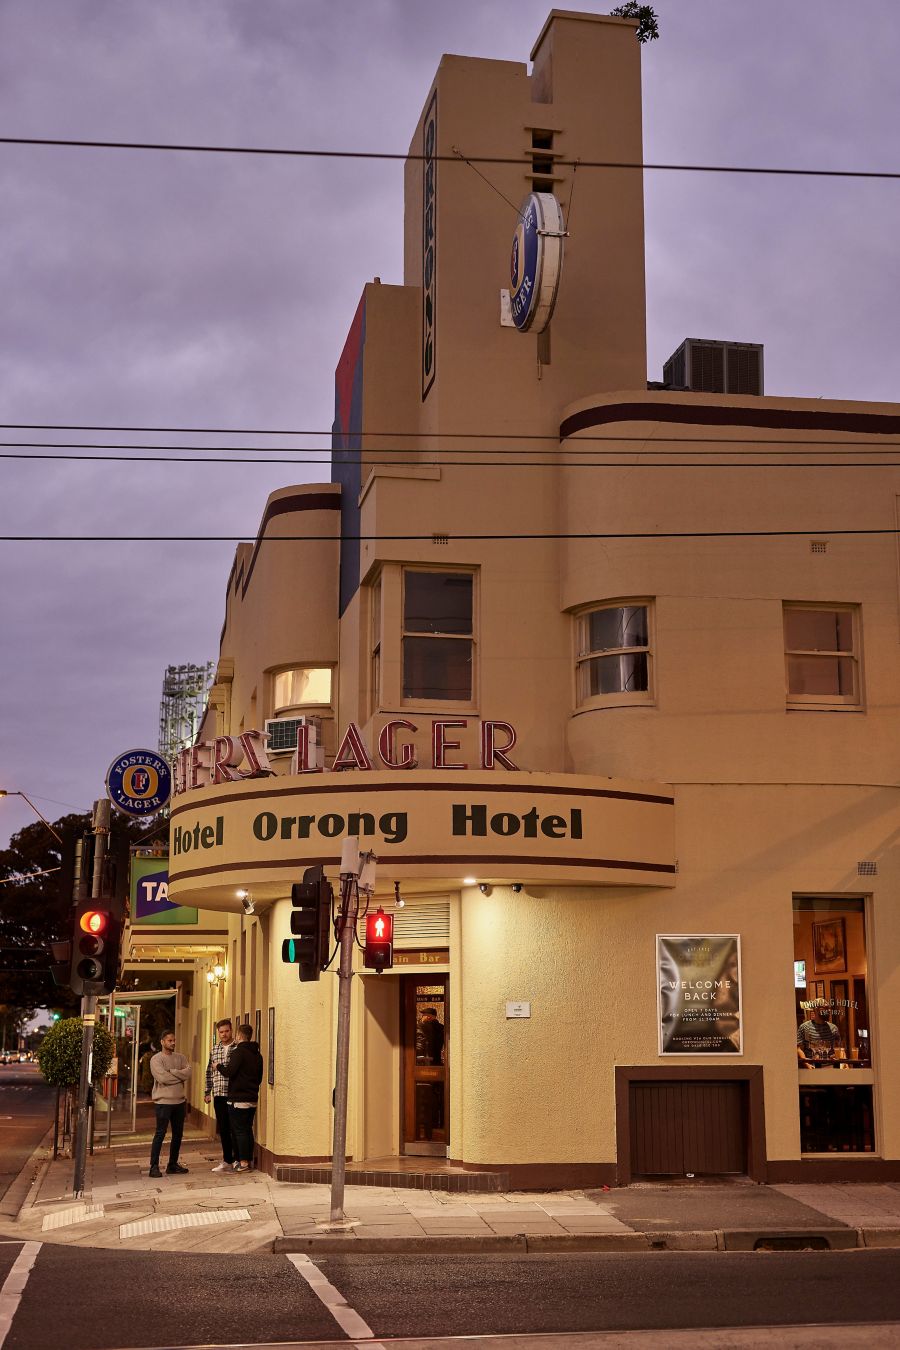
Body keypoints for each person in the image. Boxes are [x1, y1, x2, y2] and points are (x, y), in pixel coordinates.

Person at [218, 1023, 263, 1171]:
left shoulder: (238, 1052)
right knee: (247, 1129)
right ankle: (247, 1159)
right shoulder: (258, 1055)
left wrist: (218, 1066)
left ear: (238, 1036)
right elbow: (260, 1077)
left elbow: (230, 1072)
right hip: (252, 1097)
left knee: (239, 1131)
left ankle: (243, 1162)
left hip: (238, 1098)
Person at [148, 1030, 192, 1177]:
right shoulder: (156, 1059)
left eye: (174, 1040)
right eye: (169, 1041)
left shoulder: (181, 1057)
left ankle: (172, 1164)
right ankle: (153, 1167)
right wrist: (179, 1076)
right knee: (160, 1134)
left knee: (178, 1135)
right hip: (163, 1102)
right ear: (162, 1042)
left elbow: (188, 1073)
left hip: (179, 1101)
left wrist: (172, 1071)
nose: (173, 1043)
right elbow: (163, 1078)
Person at [204, 1018, 236, 1173]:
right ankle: (227, 1161)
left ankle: (238, 1159)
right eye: (221, 1032)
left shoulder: (237, 1048)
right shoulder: (214, 1049)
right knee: (223, 1128)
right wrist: (207, 1092)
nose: (224, 1034)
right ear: (218, 1033)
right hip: (219, 1093)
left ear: (231, 1030)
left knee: (235, 1127)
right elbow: (209, 1071)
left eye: (227, 1031)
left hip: (234, 1093)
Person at [797, 999, 842, 1066]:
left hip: (830, 1066)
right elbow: (798, 1048)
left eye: (829, 1008)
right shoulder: (805, 1027)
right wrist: (806, 1063)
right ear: (815, 1010)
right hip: (812, 1066)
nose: (828, 1011)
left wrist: (844, 1063)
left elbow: (840, 1048)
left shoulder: (833, 1028)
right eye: (825, 1008)